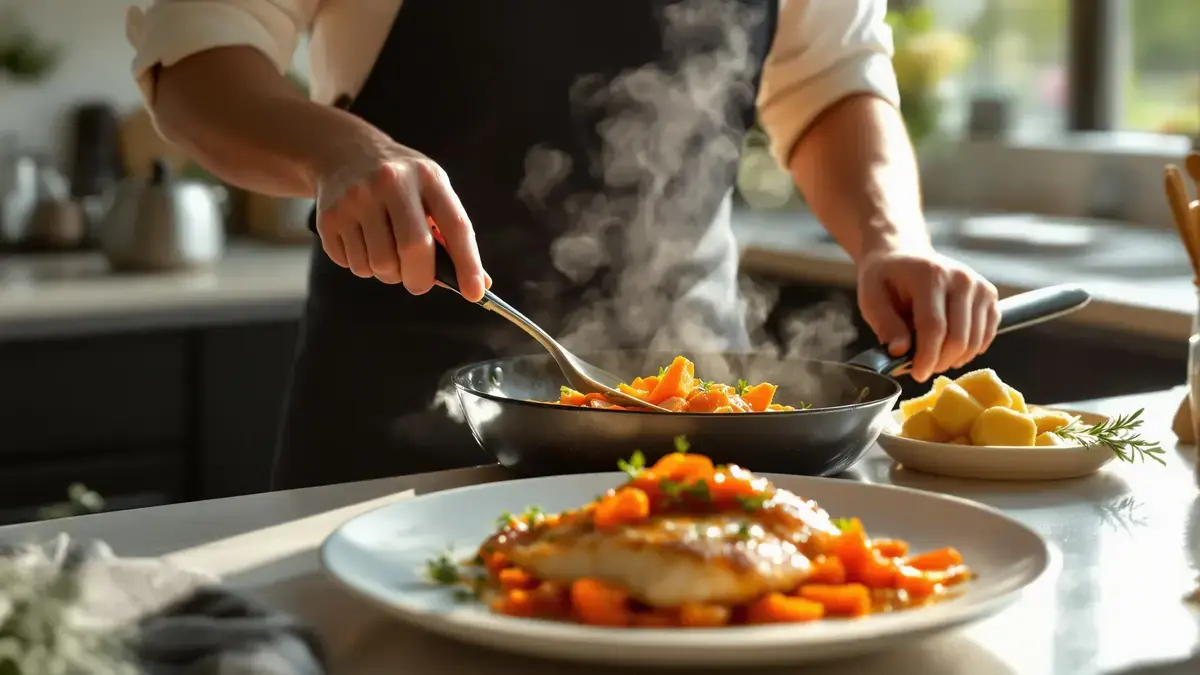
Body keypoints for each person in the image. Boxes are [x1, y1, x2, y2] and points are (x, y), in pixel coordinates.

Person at [126, 0, 1001, 490]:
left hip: (703, 416)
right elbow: (198, 58)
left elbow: (832, 79)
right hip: (399, 426)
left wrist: (892, 238)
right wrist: (340, 149)